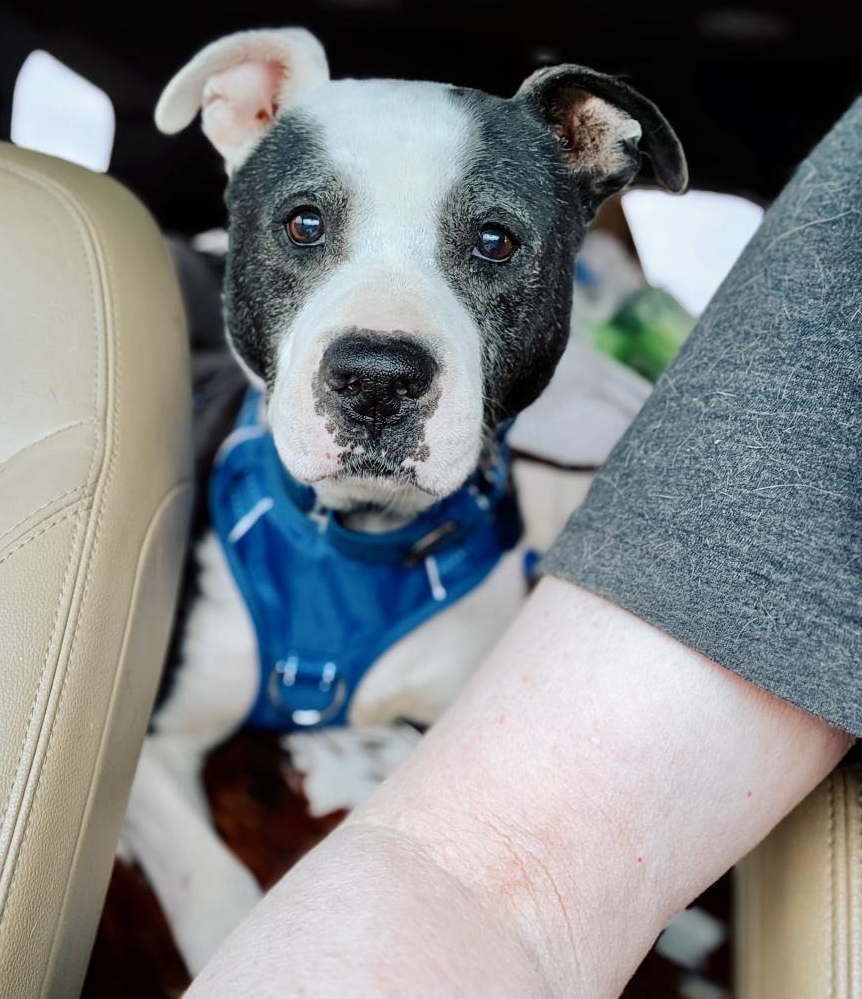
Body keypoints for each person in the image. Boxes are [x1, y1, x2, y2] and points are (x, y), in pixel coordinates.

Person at [186, 99, 862, 997]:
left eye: (493, 243)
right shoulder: (218, 510)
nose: (382, 350)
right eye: (308, 227)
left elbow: (510, 873)